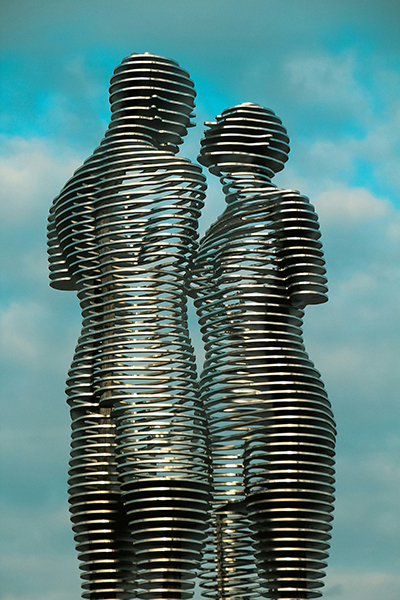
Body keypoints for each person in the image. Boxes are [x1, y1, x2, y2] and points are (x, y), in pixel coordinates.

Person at [48, 53, 210, 600]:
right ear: (153, 101)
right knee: (169, 549)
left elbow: (72, 279)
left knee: (105, 575)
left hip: (87, 370)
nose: (187, 125)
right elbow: (166, 274)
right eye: (185, 110)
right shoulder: (176, 174)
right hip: (151, 362)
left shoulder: (66, 195)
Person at [191, 103, 336, 600]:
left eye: (222, 125)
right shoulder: (208, 234)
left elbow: (306, 288)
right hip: (215, 397)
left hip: (283, 391)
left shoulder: (287, 206)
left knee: (288, 572)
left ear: (254, 142)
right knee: (225, 564)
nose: (206, 131)